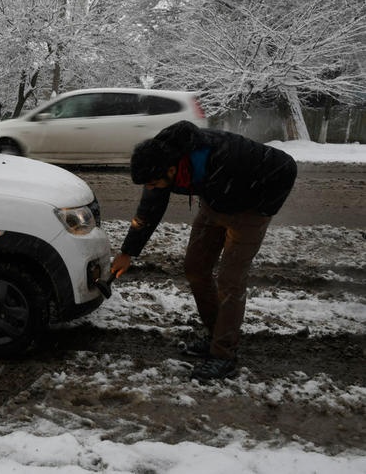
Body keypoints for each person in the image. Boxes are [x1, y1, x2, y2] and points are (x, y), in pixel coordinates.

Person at [110, 120, 297, 382]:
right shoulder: (161, 159)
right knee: (195, 268)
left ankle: (224, 355)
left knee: (230, 280)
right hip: (215, 202)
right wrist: (128, 251)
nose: (150, 188)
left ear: (172, 170)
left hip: (250, 209)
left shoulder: (224, 157)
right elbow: (149, 210)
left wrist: (264, 209)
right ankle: (215, 334)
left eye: (153, 183)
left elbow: (286, 166)